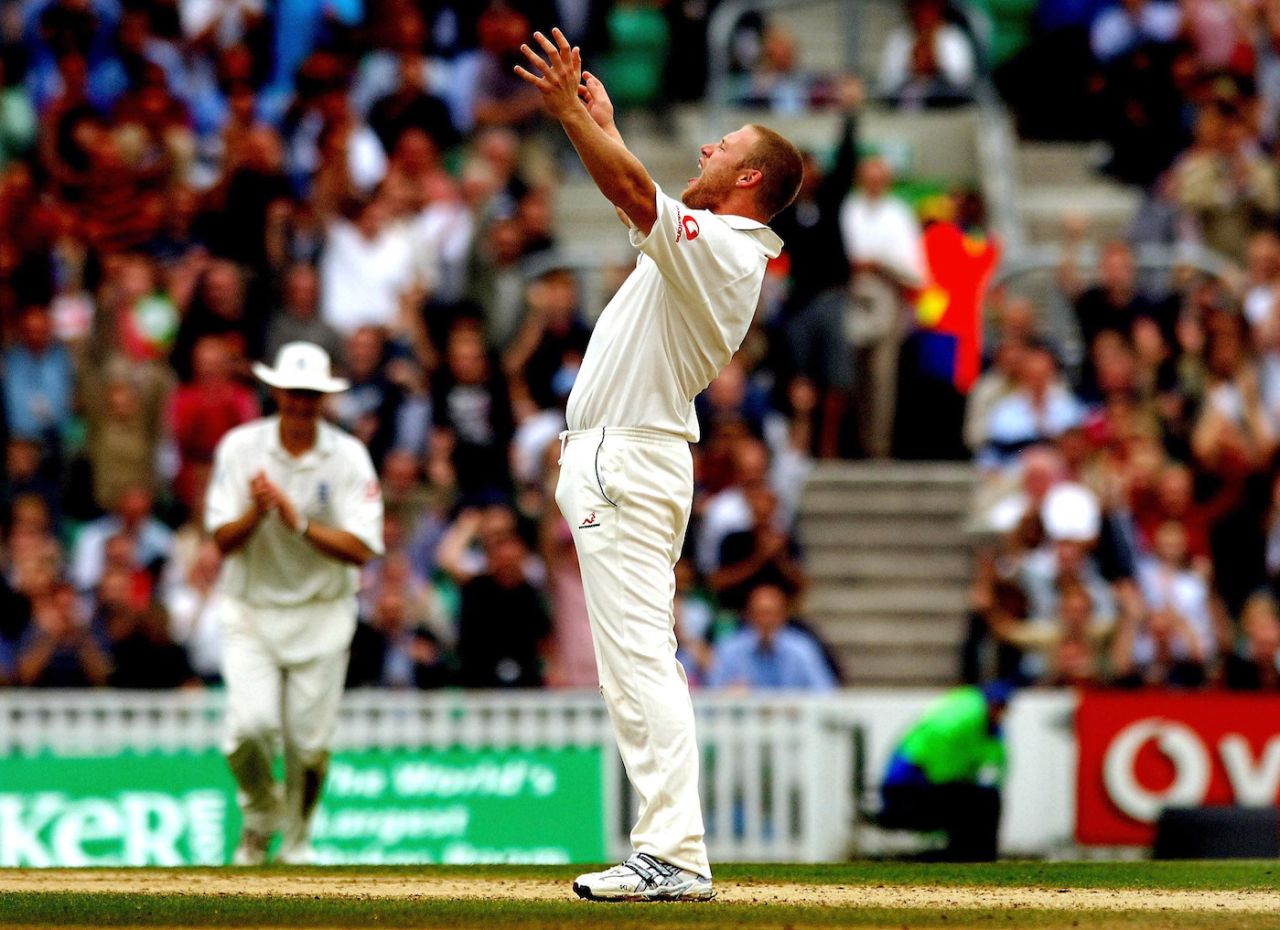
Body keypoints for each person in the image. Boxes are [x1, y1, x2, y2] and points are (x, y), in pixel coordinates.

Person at [514, 27, 802, 902]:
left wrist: (570, 116)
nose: (708, 149)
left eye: (725, 148)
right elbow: (638, 196)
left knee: (641, 659)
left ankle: (674, 854)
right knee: (635, 661)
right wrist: (601, 122)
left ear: (750, 179)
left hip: (630, 460)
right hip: (621, 456)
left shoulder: (723, 251)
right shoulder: (704, 243)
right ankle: (670, 850)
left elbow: (637, 193)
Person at [204, 341, 384, 866]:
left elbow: (363, 548)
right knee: (250, 731)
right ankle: (261, 815)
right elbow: (221, 539)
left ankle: (298, 841)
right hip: (252, 611)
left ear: (323, 399)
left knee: (309, 747)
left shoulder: (348, 456)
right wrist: (258, 514)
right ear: (277, 392)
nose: (302, 405)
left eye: (312, 396)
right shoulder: (241, 449)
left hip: (323, 613)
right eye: (294, 394)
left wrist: (297, 521)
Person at [877, 682, 1011, 861]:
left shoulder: (979, 725)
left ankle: (970, 858)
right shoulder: (962, 721)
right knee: (978, 802)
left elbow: (994, 768)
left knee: (983, 800)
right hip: (905, 792)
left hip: (914, 789)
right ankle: (970, 859)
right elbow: (941, 773)